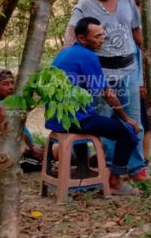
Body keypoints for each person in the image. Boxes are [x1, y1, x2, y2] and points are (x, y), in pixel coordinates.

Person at [64, 0, 148, 181]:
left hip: (129, 69)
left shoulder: (128, 1)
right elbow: (71, 36)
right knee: (108, 121)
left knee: (134, 119)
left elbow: (137, 31)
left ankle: (137, 167)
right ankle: (111, 168)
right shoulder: (84, 6)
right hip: (101, 73)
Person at [49, 17, 143, 196]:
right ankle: (114, 182)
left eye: (103, 35)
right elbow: (107, 93)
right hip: (74, 119)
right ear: (82, 38)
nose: (102, 39)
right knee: (128, 133)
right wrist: (127, 118)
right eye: (97, 36)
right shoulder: (88, 56)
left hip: (56, 118)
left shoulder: (65, 53)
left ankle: (84, 169)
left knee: (94, 115)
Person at [0, 69, 44, 172]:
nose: (11, 87)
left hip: (14, 153)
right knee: (52, 160)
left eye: (12, 83)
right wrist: (32, 148)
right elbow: (14, 133)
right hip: (8, 159)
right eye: (5, 84)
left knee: (52, 151)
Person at [125, 0, 151, 161]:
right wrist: (140, 82)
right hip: (130, 77)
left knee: (143, 120)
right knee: (141, 121)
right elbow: (136, 50)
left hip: (137, 76)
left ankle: (143, 160)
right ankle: (139, 162)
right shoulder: (127, 11)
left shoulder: (139, 12)